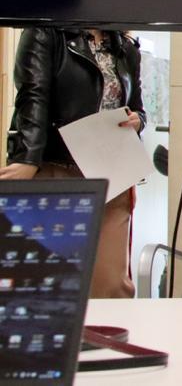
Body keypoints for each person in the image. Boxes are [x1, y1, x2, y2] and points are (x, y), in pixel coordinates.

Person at [1, 27, 146, 298]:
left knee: (110, 284)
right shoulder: (45, 33)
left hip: (111, 173)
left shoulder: (125, 46)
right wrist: (28, 158)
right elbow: (34, 96)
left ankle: (108, 340)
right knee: (50, 281)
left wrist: (138, 120)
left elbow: (137, 106)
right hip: (60, 168)